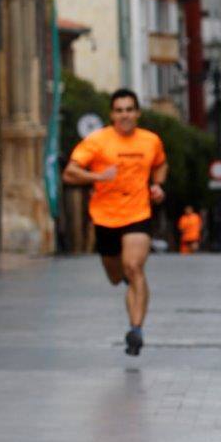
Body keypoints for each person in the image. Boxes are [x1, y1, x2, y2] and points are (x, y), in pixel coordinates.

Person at [63, 89, 167, 356]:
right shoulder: (97, 141)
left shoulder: (150, 140)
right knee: (116, 276)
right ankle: (133, 287)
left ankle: (136, 330)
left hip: (138, 214)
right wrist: (97, 177)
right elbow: (70, 173)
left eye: (130, 109)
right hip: (105, 217)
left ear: (137, 113)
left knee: (134, 267)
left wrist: (157, 185)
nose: (125, 115)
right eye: (119, 110)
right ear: (112, 114)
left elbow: (161, 164)